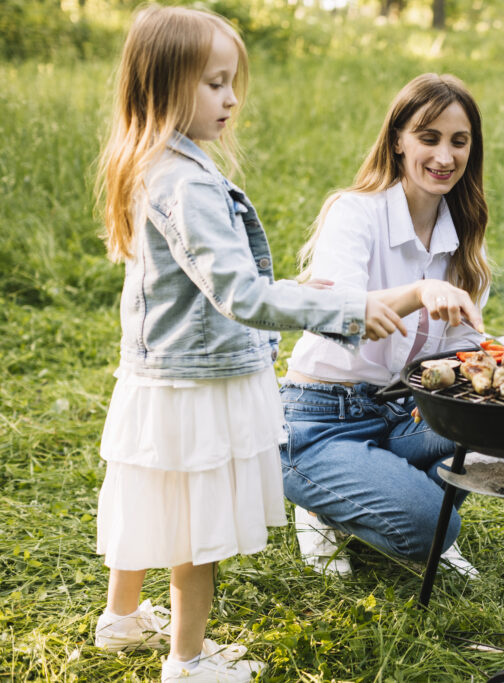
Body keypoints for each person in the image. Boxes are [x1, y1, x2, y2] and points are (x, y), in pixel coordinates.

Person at [92, 7, 404, 681]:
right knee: (190, 530)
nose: (231, 98)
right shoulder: (185, 182)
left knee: (150, 492)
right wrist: (344, 307)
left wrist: (298, 286)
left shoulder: (159, 163)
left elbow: (214, 283)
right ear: (163, 86)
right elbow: (239, 294)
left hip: (160, 375)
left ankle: (121, 618)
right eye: (212, 83)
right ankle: (188, 658)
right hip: (195, 384)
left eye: (232, 82)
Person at [279, 73, 489, 579]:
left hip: (402, 412)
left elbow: (462, 345)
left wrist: (498, 357)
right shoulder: (355, 213)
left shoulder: (462, 237)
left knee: (495, 429)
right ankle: (322, 504)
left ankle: (380, 491)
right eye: (429, 137)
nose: (445, 157)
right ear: (398, 139)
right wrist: (418, 293)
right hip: (322, 419)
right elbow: (337, 316)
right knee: (429, 527)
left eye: (459, 142)